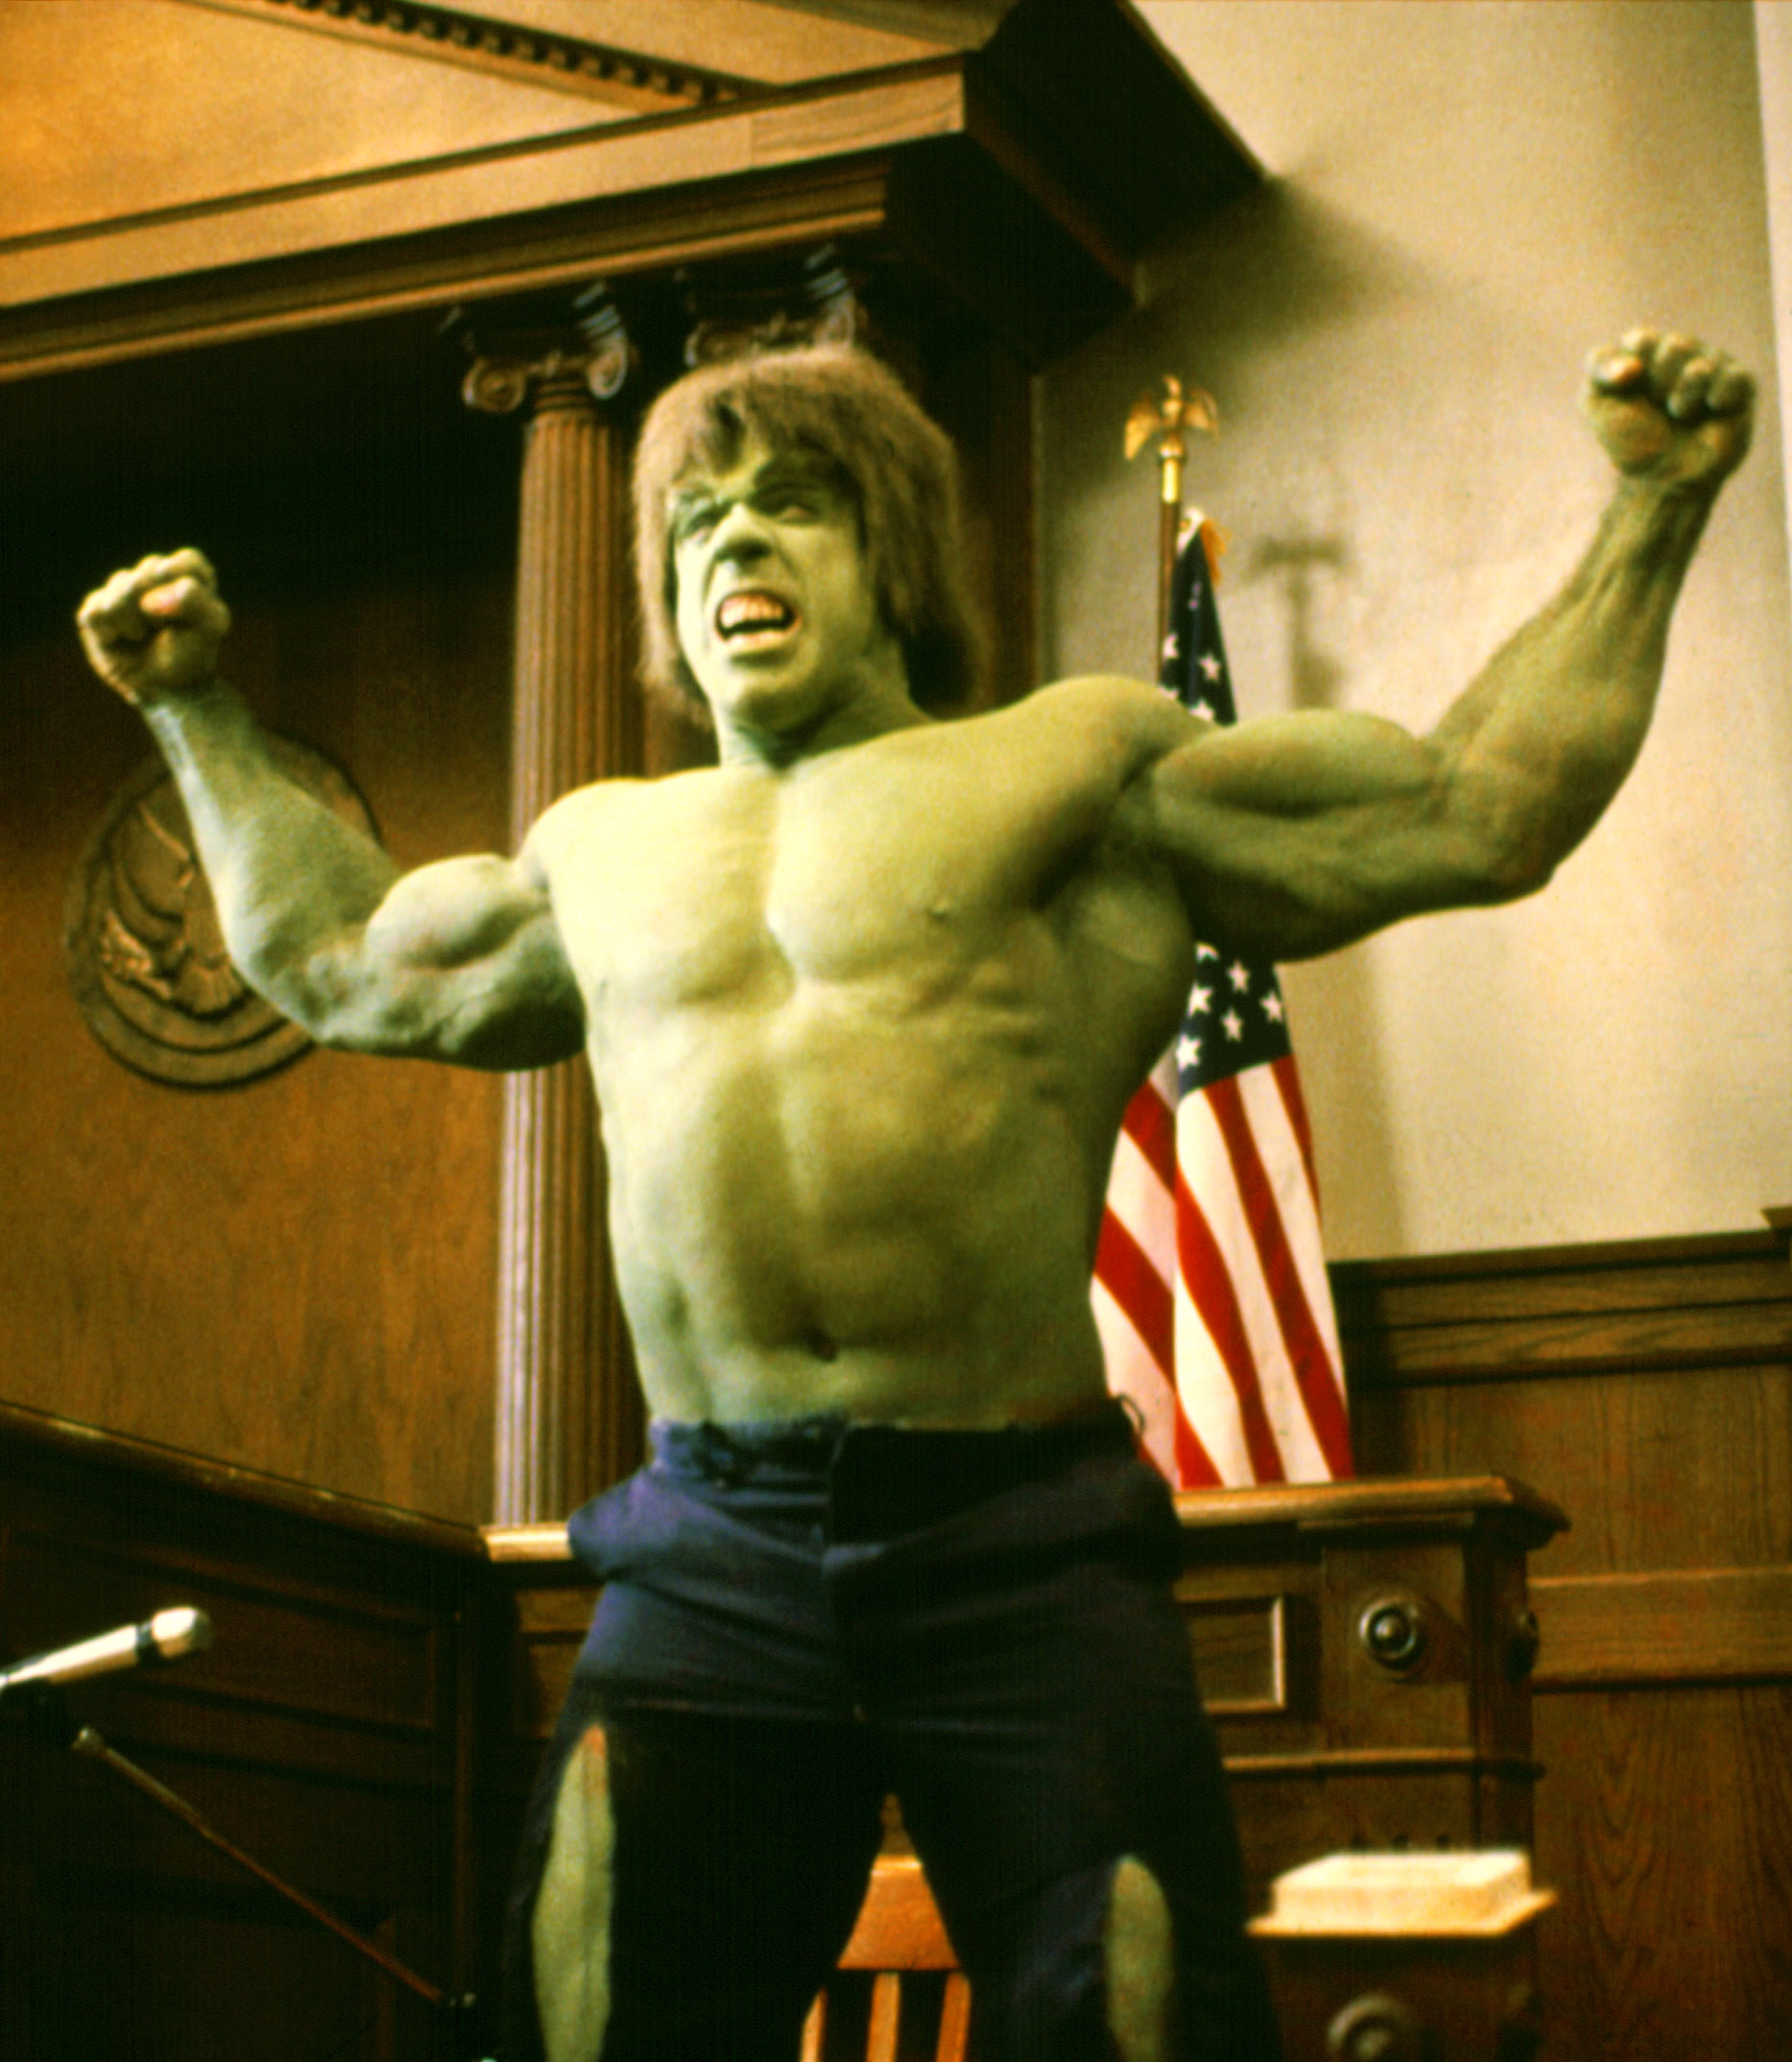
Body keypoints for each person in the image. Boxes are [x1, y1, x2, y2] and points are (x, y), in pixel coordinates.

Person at [76, 329, 1754, 2062]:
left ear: (891, 554)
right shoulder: (597, 850)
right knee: (592, 2020)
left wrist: (1651, 510)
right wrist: (194, 709)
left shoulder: (1076, 769)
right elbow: (338, 957)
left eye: (791, 503)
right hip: (711, 1544)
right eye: (699, 521)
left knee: (1140, 2024)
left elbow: (1474, 809)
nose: (735, 539)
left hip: (1017, 1541)